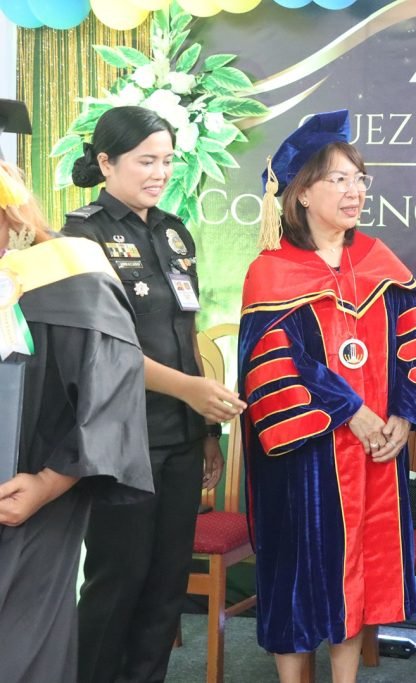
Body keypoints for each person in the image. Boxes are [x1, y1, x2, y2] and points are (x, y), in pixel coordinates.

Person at [239, 109, 416, 683]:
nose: (354, 191)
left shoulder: (380, 262)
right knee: (300, 568)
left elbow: (413, 343)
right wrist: (350, 410)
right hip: (306, 455)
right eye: (338, 179)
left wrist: (405, 416)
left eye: (359, 178)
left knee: (361, 570)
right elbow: (276, 364)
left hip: (376, 451)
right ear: (302, 192)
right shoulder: (271, 273)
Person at [61, 105, 247, 683]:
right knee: (117, 583)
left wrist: (207, 428)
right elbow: (101, 349)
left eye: (167, 160)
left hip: (181, 439)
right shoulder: (82, 235)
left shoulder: (173, 230)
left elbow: (186, 333)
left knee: (166, 587)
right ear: (106, 162)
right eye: (146, 161)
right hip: (120, 438)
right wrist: (192, 390)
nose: (160, 173)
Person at [0, 154, 153, 682]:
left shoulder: (69, 272)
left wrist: (47, 484)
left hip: (30, 501)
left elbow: (110, 396)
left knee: (21, 652)